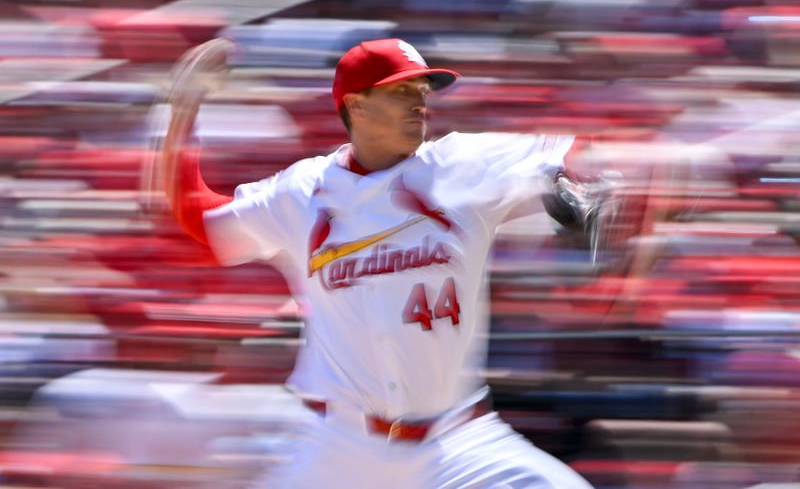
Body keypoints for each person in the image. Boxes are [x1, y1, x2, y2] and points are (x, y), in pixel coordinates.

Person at [160, 37, 599, 488]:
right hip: (340, 449)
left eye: (423, 92)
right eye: (401, 92)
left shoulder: (461, 163)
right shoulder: (301, 192)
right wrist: (179, 115)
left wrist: (580, 182)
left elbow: (568, 154)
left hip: (457, 444)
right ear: (357, 104)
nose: (419, 104)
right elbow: (199, 215)